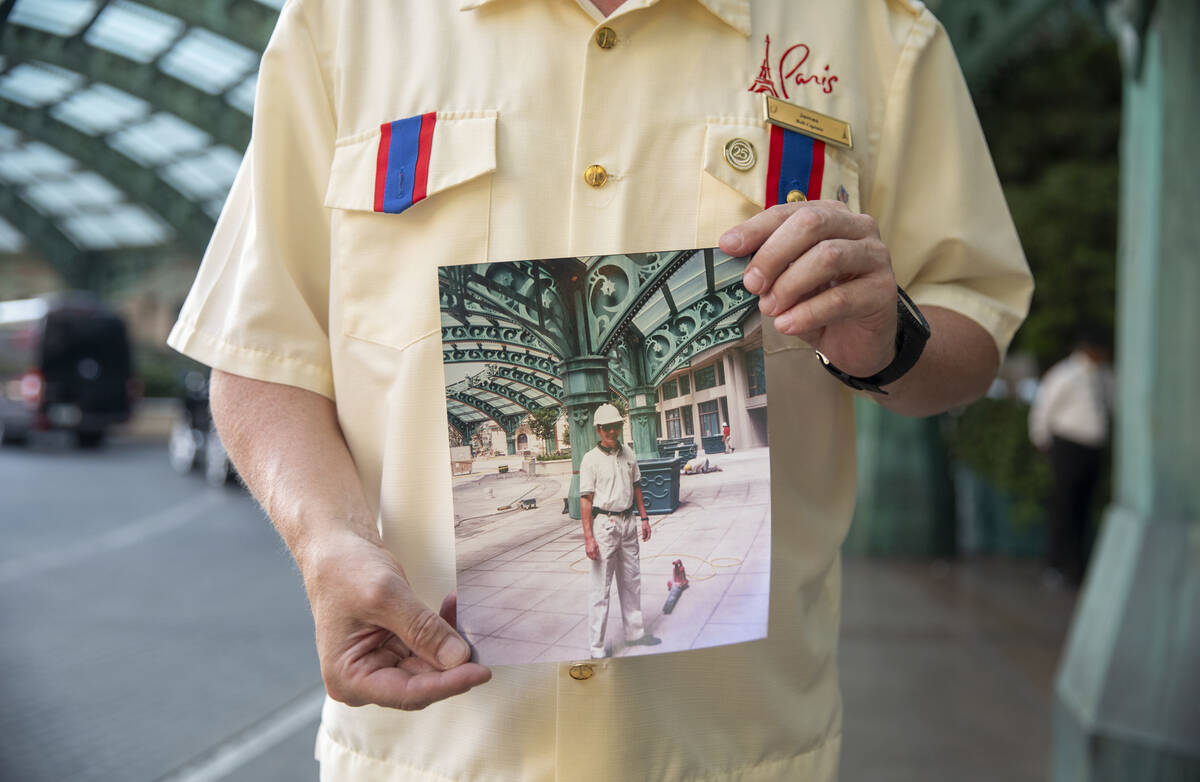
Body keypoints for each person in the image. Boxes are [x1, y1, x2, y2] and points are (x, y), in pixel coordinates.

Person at [167, 0, 1033, 778]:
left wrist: (887, 337)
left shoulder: (877, 33)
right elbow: (260, 360)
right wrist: (329, 543)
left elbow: (972, 332)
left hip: (728, 750)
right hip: (437, 752)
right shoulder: (344, 25)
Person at [1028, 332, 1114, 587]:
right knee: (1064, 505)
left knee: (1084, 506)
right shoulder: (1065, 374)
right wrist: (1041, 438)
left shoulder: (1104, 376)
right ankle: (1057, 563)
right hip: (1068, 446)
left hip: (1092, 449)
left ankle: (1077, 563)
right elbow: (1044, 407)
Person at [579, 403, 660, 659]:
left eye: (617, 427)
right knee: (600, 588)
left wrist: (644, 518)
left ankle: (635, 634)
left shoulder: (628, 454)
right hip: (604, 525)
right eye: (608, 428)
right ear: (599, 430)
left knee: (632, 580)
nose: (613, 432)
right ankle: (596, 647)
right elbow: (585, 500)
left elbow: (637, 487)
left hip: (628, 522)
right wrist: (589, 537)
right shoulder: (590, 459)